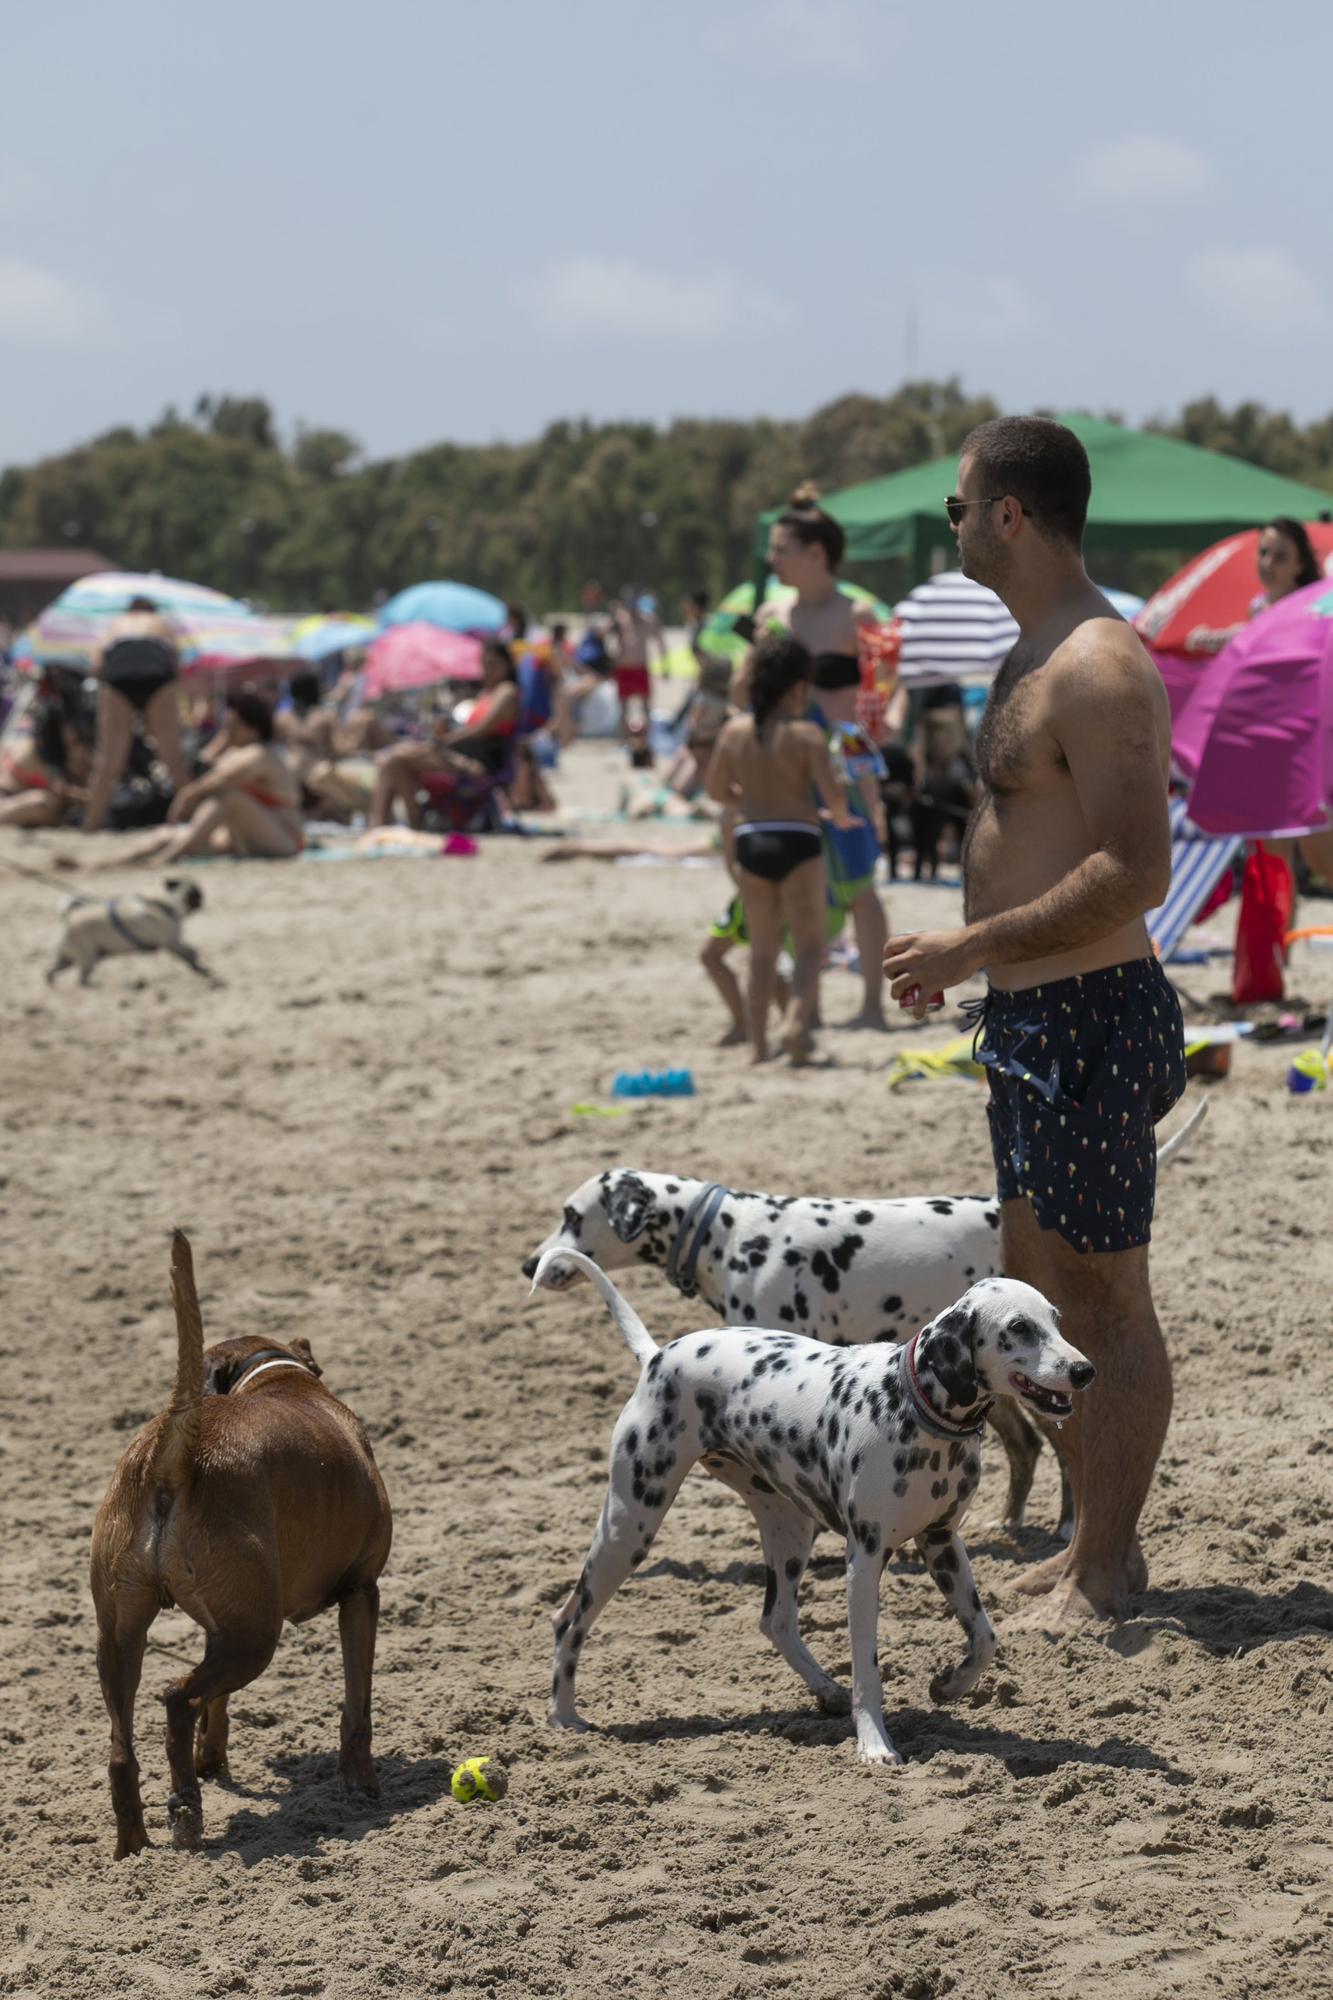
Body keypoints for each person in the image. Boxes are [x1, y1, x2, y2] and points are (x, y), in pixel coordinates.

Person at [882, 415, 1184, 1631]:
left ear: (1008, 513)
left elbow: (1135, 868)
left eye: (959, 506)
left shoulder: (1097, 661)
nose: (952, 525)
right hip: (1029, 1016)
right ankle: (1082, 1547)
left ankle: (1104, 1569)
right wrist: (975, 963)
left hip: (1090, 1015)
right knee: (1040, 1290)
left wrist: (972, 943)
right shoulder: (1031, 650)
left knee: (1106, 1298)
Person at [763, 485, 890, 1028]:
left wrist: (880, 734)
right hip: (788, 759)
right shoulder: (774, 614)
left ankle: (870, 1006)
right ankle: (803, 1002)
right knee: (792, 880)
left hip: (845, 754)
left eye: (781, 549)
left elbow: (885, 683)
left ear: (816, 553)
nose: (772, 560)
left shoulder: (855, 614)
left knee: (860, 884)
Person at [705, 634, 855, 1066]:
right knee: (809, 948)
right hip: (799, 838)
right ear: (798, 688)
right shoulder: (806, 734)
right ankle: (793, 1024)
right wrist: (838, 815)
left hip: (751, 838)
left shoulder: (734, 731)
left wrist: (750, 805)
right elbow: (834, 801)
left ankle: (757, 1048)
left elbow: (716, 790)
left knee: (762, 951)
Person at [115, 687, 303, 864]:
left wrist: (188, 794)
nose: (228, 731)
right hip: (242, 837)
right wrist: (221, 741)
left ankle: (169, 858)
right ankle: (113, 863)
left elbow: (223, 780)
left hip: (284, 840)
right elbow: (201, 767)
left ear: (252, 728)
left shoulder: (261, 754)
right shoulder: (236, 753)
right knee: (166, 836)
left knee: (230, 797)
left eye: (232, 726)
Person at [370, 641, 519, 828]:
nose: (487, 670)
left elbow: (482, 729)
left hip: (479, 765)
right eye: (485, 664)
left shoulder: (507, 692)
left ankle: (406, 823)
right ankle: (390, 824)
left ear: (507, 665)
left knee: (395, 758)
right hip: (460, 756)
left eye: (493, 664)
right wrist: (445, 733)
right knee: (392, 762)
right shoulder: (486, 693)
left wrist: (445, 740)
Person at [84, 596, 190, 832]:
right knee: (172, 757)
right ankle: (193, 816)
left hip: (119, 668)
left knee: (109, 760)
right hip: (157, 668)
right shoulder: (161, 623)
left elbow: (95, 665)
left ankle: (92, 823)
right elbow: (176, 664)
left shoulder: (116, 624)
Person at [276, 670, 370, 820]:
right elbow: (340, 748)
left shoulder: (282, 718)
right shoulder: (325, 716)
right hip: (318, 778)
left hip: (289, 777)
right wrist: (359, 739)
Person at [0, 695, 91, 828]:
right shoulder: (37, 750)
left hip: (16, 796)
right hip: (7, 797)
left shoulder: (43, 744)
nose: (80, 749)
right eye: (75, 742)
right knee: (42, 804)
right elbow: (62, 793)